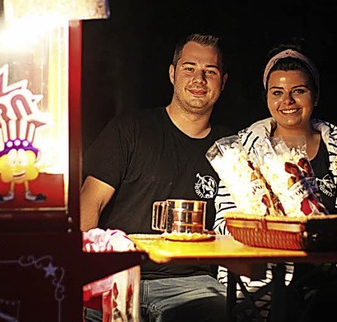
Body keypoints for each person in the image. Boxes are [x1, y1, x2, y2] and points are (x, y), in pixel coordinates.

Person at [213, 39, 337, 322]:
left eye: (299, 91)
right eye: (277, 92)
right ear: (267, 97)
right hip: (269, 274)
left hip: (331, 272)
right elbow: (224, 224)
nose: (287, 101)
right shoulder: (241, 152)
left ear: (315, 97)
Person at [81, 33, 233, 322]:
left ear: (223, 82)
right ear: (172, 73)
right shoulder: (130, 129)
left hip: (193, 284)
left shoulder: (231, 148)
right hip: (118, 274)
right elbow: (90, 203)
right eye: (189, 68)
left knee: (220, 312)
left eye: (210, 71)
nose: (199, 79)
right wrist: (82, 272)